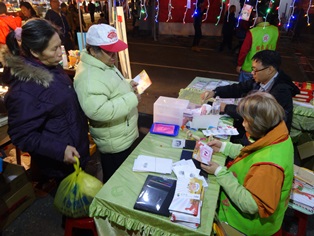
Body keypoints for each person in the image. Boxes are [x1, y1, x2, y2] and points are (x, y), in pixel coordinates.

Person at [2, 19, 90, 184]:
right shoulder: (24, 89)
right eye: (55, 49)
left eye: (60, 45)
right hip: (58, 167)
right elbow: (21, 135)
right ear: (35, 52)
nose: (60, 53)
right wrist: (60, 150)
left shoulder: (51, 66)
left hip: (76, 153)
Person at [200, 92, 294, 235]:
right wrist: (225, 147)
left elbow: (251, 205)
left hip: (245, 227)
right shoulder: (277, 134)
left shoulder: (268, 167)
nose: (243, 124)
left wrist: (220, 172)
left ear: (259, 124)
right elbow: (255, 152)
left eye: (246, 120)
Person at [73, 24, 140, 183]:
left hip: (120, 134)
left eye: (115, 50)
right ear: (92, 50)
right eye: (109, 51)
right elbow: (98, 111)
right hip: (114, 141)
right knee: (115, 181)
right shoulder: (88, 77)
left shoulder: (103, 63)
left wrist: (128, 84)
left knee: (121, 175)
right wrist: (131, 98)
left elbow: (111, 86)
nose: (114, 55)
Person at [201, 50, 300, 141]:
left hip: (266, 137)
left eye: (256, 70)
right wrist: (215, 92)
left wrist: (226, 108)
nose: (252, 73)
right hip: (254, 128)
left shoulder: (281, 91)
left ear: (270, 70)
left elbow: (256, 114)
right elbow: (240, 88)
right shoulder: (261, 80)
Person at [236, 11, 279, 82]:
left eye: (255, 17)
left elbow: (244, 50)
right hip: (267, 69)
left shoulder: (252, 32)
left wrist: (239, 64)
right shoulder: (275, 30)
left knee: (243, 90)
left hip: (250, 68)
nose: (254, 19)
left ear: (259, 18)